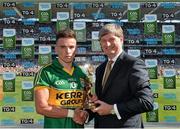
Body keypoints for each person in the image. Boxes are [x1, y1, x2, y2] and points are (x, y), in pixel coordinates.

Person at [89, 23, 154, 128]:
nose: (107, 44)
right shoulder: (100, 69)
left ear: (121, 39)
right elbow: (102, 101)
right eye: (103, 41)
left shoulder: (133, 64)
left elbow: (146, 102)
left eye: (111, 39)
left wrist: (112, 109)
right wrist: (89, 110)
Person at [34, 28, 88, 128]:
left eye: (71, 47)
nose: (68, 51)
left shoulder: (82, 73)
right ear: (56, 49)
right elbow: (41, 108)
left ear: (76, 49)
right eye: (63, 47)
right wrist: (72, 114)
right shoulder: (46, 72)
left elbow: (85, 104)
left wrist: (84, 113)